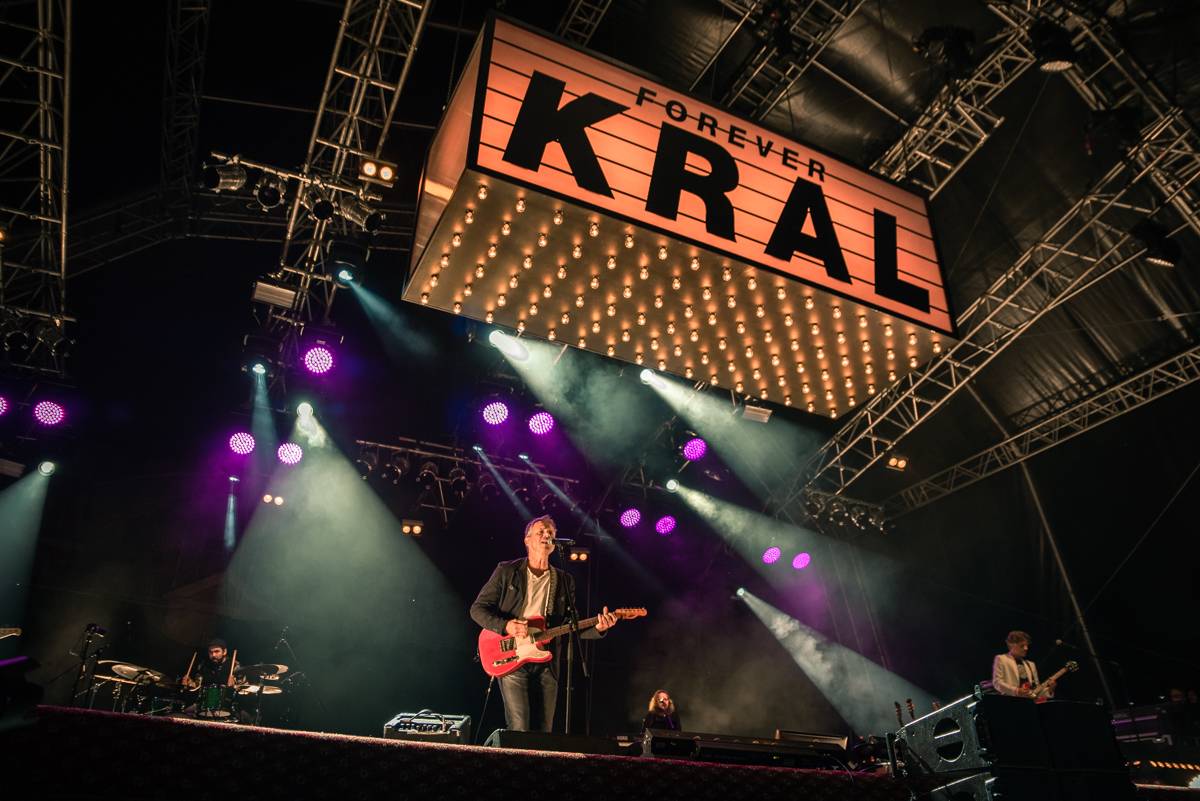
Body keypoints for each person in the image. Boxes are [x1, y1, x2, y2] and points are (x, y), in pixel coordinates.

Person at [470, 515, 619, 732]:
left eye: (551, 532)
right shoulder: (507, 571)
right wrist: (507, 626)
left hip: (548, 661)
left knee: (544, 729)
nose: (547, 535)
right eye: (541, 531)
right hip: (511, 654)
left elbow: (571, 626)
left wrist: (598, 627)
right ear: (527, 540)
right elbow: (477, 609)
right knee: (519, 727)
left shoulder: (564, 580)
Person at [992, 630, 1054, 699]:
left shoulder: (1031, 664)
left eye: (1027, 645)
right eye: (1022, 646)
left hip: (1027, 704)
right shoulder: (1001, 659)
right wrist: (1016, 690)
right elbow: (997, 683)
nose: (1026, 648)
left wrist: (1050, 689)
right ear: (1011, 645)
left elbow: (1036, 691)